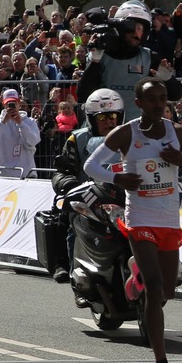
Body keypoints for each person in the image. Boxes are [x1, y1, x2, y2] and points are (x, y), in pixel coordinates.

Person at [83, 79, 182, 363]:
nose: (159, 105)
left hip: (168, 219)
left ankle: (136, 277)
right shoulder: (126, 133)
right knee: (154, 288)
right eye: (152, 99)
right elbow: (91, 166)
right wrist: (119, 179)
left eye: (162, 99)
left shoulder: (177, 133)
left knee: (167, 290)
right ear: (138, 103)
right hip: (140, 218)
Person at [50, 88, 125, 284]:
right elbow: (61, 171)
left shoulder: (133, 137)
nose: (109, 122)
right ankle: (71, 270)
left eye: (113, 116)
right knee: (69, 218)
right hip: (89, 200)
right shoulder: (77, 139)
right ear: (92, 119)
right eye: (102, 118)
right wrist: (68, 183)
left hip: (124, 198)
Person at [0, 88, 42, 177]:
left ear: (19, 103)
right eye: (8, 104)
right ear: (4, 105)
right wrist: (3, 122)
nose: (11, 107)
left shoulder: (30, 122)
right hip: (5, 175)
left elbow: (34, 141)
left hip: (26, 175)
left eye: (14, 103)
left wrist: (20, 123)